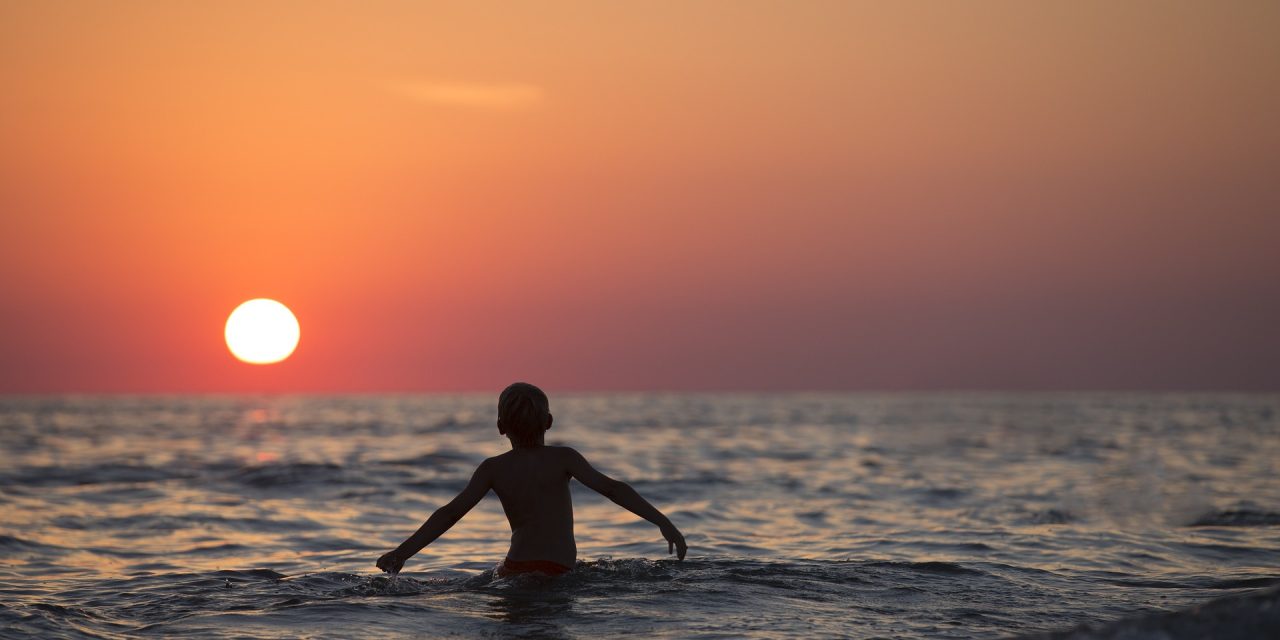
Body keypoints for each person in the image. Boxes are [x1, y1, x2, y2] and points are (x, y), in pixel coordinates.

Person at [376, 382, 688, 577]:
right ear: (549, 422)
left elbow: (450, 513)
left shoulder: (492, 468)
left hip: (514, 569)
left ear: (500, 427)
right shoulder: (564, 458)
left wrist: (401, 553)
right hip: (558, 570)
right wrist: (663, 522)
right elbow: (613, 489)